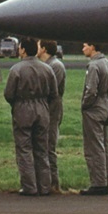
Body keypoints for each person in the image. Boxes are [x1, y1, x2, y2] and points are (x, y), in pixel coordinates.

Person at [4, 37, 57, 196]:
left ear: (24, 50)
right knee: (42, 149)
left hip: (23, 109)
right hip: (42, 109)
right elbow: (54, 93)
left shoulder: (17, 69)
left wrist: (18, 104)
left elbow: (8, 94)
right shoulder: (47, 69)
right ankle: (45, 186)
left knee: (24, 149)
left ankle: (29, 186)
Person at [80, 42, 108, 195]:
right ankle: (105, 180)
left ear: (93, 47)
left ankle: (98, 183)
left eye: (85, 46)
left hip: (94, 109)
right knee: (104, 145)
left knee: (94, 147)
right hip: (105, 106)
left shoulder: (93, 66)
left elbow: (91, 90)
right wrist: (105, 101)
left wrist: (85, 105)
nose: (83, 49)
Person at [39, 39, 68, 194]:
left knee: (49, 146)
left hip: (52, 111)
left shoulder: (55, 66)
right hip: (45, 110)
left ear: (43, 49)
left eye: (38, 45)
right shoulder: (48, 65)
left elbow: (51, 91)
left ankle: (54, 184)